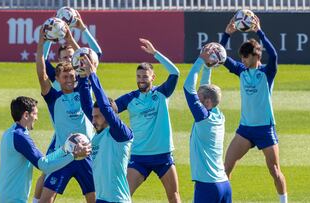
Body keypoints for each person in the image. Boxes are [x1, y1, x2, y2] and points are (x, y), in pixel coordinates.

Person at [33, 12, 102, 203]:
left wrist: (71, 37)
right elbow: (41, 73)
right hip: (63, 153)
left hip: (87, 153)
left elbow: (86, 59)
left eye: (72, 76)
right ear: (57, 79)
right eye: (65, 77)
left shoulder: (84, 90)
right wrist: (41, 42)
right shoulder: (53, 97)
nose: (70, 79)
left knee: (94, 199)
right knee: (46, 199)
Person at [220, 15, 287, 202]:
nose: (241, 59)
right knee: (226, 168)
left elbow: (274, 55)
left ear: (256, 56)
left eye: (245, 56)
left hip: (265, 128)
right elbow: (221, 56)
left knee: (274, 171)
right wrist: (226, 34)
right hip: (246, 130)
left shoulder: (267, 72)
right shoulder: (241, 71)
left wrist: (259, 32)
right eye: (241, 56)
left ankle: (284, 200)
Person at [115, 38, 181, 202]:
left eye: (145, 76)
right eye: (138, 76)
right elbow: (110, 110)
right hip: (139, 156)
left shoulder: (162, 93)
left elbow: (175, 73)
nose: (141, 79)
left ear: (153, 77)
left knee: (173, 196)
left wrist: (155, 53)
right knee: (122, 197)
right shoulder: (130, 98)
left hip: (163, 156)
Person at [0, 96, 90, 203]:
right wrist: (73, 155)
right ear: (26, 115)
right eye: (35, 114)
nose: (36, 118)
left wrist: (64, 149)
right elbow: (45, 166)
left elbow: (44, 160)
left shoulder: (11, 132)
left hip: (8, 198)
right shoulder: (20, 137)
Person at [78, 54, 133, 202]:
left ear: (108, 117)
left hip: (117, 200)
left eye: (96, 117)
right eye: (93, 116)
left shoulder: (121, 134)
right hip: (101, 198)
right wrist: (82, 77)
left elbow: (105, 107)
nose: (93, 120)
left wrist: (92, 76)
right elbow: (85, 105)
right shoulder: (100, 130)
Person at [183, 45, 232, 203]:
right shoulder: (218, 114)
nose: (196, 98)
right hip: (224, 184)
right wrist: (208, 67)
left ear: (208, 102)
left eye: (200, 97)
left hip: (208, 186)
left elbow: (187, 87)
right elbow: (205, 86)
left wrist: (200, 60)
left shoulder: (203, 118)